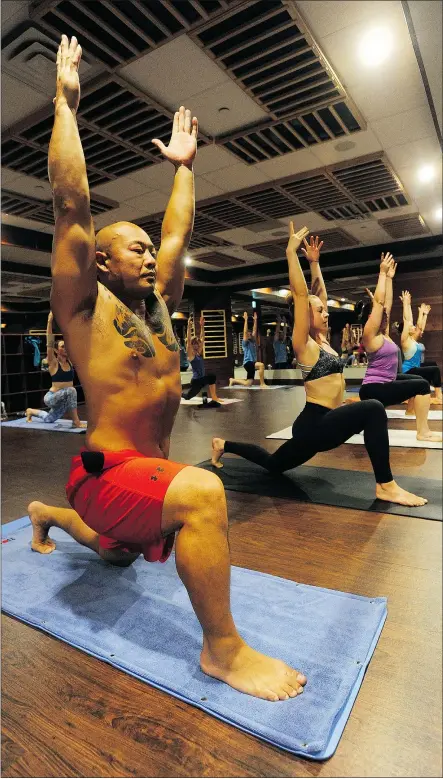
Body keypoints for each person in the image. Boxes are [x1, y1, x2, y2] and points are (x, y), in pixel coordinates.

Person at [29, 35, 306, 703]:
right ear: (100, 262)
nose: (150, 255)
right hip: (104, 473)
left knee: (112, 550)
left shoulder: (155, 314)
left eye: (149, 247)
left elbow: (179, 236)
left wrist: (185, 167)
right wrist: (65, 105)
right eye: (134, 248)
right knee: (204, 492)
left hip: (131, 485)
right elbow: (72, 206)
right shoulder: (83, 307)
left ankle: (44, 514)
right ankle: (223, 650)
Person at [211, 224, 427, 507]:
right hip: (313, 424)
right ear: (303, 317)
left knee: (274, 463)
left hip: (326, 421)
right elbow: (303, 296)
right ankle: (386, 486)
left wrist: (315, 263)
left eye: (325, 310)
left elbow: (317, 295)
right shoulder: (304, 344)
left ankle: (222, 444)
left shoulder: (323, 340)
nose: (326, 313)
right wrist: (291, 253)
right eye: (320, 311)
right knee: (372, 409)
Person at [359, 261, 441, 442]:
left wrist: (389, 278)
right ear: (371, 318)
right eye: (380, 313)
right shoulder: (370, 335)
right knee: (421, 386)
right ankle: (423, 432)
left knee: (421, 380)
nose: (385, 315)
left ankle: (414, 414)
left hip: (388, 380)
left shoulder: (384, 334)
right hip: (374, 388)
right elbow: (380, 303)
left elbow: (385, 303)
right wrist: (381, 273)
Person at [25, 311, 85, 428]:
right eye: (63, 346)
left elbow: (75, 340)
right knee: (72, 390)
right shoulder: (53, 362)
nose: (66, 348)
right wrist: (50, 321)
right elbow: (50, 342)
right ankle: (76, 422)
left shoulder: (70, 361)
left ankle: (30, 411)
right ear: (57, 351)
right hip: (52, 397)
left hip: (62, 400)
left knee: (49, 419)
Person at [396, 293, 442, 405]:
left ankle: (432, 390)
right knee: (434, 370)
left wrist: (424, 314)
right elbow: (407, 320)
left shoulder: (413, 339)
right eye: (411, 327)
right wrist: (406, 304)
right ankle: (438, 395)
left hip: (415, 367)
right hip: (408, 370)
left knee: (433, 364)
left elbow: (420, 327)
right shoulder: (405, 340)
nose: (414, 327)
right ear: (406, 331)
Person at [182, 314, 223, 405]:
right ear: (191, 345)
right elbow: (188, 341)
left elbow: (202, 338)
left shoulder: (198, 353)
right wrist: (189, 326)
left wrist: (202, 326)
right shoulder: (191, 355)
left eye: (197, 344)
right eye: (194, 344)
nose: (196, 345)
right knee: (187, 396)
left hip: (201, 379)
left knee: (211, 378)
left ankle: (212, 398)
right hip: (196, 381)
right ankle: (179, 394)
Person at [228, 311, 266, 387]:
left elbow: (254, 330)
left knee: (248, 383)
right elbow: (245, 332)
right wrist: (245, 320)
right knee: (261, 365)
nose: (248, 334)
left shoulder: (253, 341)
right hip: (248, 363)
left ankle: (233, 380)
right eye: (247, 334)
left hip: (252, 363)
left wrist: (255, 320)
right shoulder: (245, 343)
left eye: (250, 333)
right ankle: (262, 384)